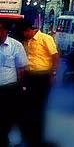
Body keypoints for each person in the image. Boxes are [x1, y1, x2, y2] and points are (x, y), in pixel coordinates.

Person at [19, 20, 59, 147]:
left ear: (29, 30)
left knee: (39, 108)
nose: (24, 35)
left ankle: (37, 139)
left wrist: (53, 73)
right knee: (27, 108)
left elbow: (55, 56)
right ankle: (28, 137)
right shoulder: (27, 41)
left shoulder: (45, 38)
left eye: (25, 32)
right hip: (29, 76)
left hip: (42, 76)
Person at [0, 19, 28, 147]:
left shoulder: (16, 46)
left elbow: (21, 68)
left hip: (8, 89)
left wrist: (21, 87)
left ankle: (4, 139)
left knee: (6, 118)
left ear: (6, 31)